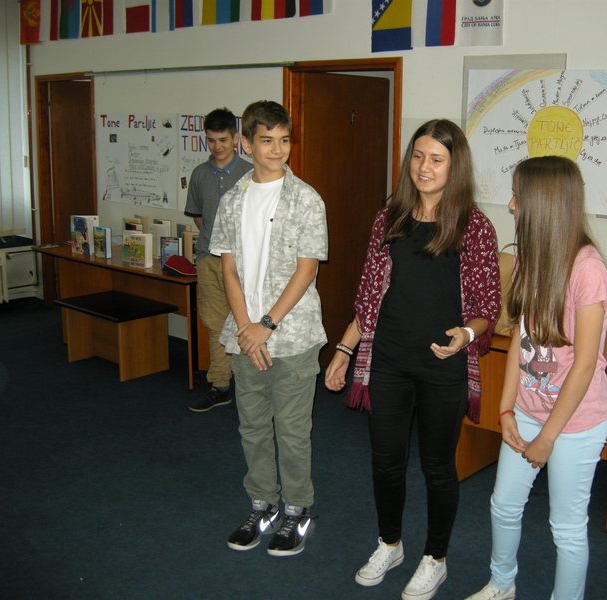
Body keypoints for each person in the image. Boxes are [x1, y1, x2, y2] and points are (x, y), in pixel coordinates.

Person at [325, 119, 501, 600]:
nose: (424, 167)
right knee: (385, 462)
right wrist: (344, 349)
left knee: (438, 466)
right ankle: (390, 543)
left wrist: (467, 334)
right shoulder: (390, 218)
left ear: (455, 166)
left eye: (436, 159)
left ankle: (435, 558)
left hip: (443, 365)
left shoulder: (474, 227)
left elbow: (488, 307)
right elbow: (369, 296)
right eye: (418, 156)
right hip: (388, 361)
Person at [466, 156, 607, 600]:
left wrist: (548, 437)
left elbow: (584, 366)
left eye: (518, 196)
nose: (511, 204)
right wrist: (506, 408)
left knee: (566, 527)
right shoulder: (531, 256)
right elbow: (521, 338)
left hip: (576, 421)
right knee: (503, 505)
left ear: (543, 203)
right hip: (528, 411)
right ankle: (501, 584)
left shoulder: (588, 269)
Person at [209, 100, 327, 557]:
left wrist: (266, 325)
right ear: (247, 143)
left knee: (292, 431)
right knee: (253, 427)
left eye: (284, 140)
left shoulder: (306, 199)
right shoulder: (233, 200)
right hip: (245, 336)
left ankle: (297, 509)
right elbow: (228, 269)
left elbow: (306, 270)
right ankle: (263, 505)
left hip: (292, 336)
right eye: (266, 141)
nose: (277, 150)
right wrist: (246, 328)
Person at [184, 107, 252, 413]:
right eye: (211, 140)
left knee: (248, 322)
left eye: (223, 140)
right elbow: (199, 217)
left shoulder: (250, 173)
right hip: (209, 258)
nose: (217, 146)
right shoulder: (199, 174)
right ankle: (220, 386)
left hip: (245, 262)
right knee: (215, 323)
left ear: (236, 138)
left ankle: (251, 386)